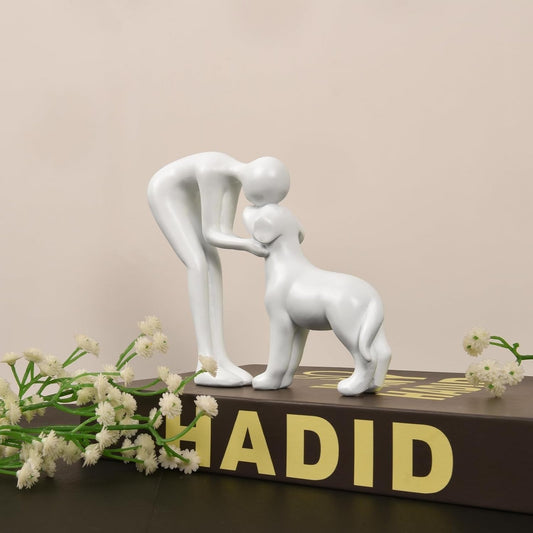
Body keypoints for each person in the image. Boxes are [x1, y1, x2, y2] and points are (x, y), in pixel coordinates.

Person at [147, 152, 290, 386]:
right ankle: (204, 363)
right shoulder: (213, 170)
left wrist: (245, 242)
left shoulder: (233, 179)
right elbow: (211, 234)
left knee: (212, 262)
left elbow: (223, 232)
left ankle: (219, 359)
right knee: (197, 263)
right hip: (164, 193)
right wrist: (248, 244)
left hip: (186, 193)